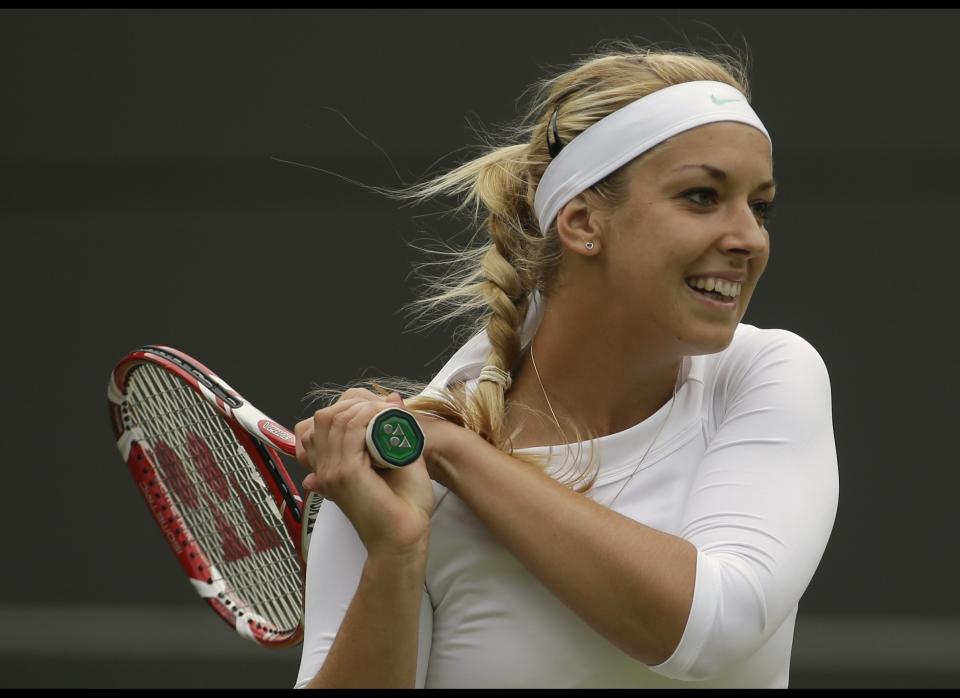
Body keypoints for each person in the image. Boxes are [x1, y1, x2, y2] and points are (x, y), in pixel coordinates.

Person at [292, 42, 839, 688]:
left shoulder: (768, 375)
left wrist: (455, 453)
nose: (749, 237)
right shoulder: (395, 479)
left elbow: (713, 628)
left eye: (760, 206)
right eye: (701, 196)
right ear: (582, 222)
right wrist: (396, 551)